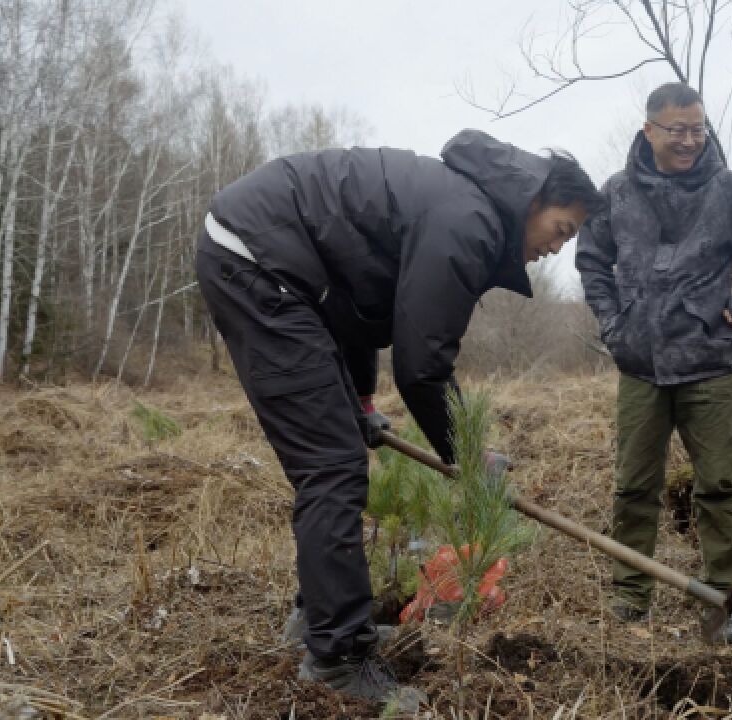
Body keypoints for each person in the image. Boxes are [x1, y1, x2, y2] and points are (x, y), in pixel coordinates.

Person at [196, 129, 602, 705]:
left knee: (336, 453)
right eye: (560, 230)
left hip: (276, 261)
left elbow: (359, 310)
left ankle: (318, 622)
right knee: (331, 466)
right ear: (533, 201)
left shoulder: (461, 205)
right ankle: (338, 659)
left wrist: (360, 402)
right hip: (258, 260)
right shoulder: (469, 223)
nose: (556, 248)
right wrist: (467, 454)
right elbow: (422, 367)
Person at [576, 82, 732, 642]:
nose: (689, 140)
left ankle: (720, 602)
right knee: (633, 487)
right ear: (649, 129)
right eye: (677, 129)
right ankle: (631, 598)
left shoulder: (728, 190)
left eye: (698, 129)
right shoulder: (618, 192)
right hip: (640, 366)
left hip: (707, 364)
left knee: (720, 485)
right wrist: (612, 321)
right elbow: (590, 258)